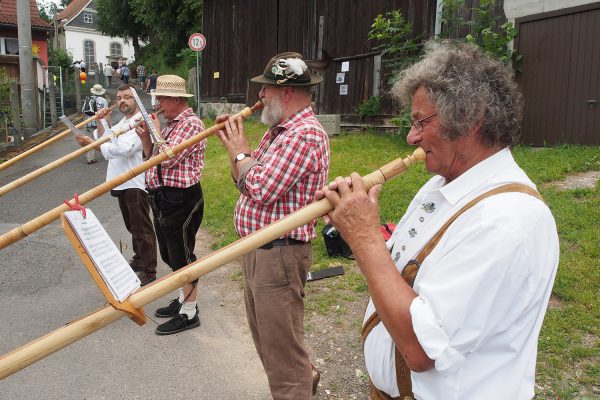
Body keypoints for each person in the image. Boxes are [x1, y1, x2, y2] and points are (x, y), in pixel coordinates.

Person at [317, 40, 560, 400]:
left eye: (421, 122)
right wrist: (357, 227)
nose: (411, 137)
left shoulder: (508, 220)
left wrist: (366, 236)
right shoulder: (441, 186)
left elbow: (421, 349)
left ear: (471, 119)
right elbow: (402, 272)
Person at [216, 52, 330, 399]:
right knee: (269, 343)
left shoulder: (304, 134)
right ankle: (303, 381)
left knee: (282, 355)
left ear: (286, 93)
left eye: (266, 89)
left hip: (278, 256)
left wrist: (239, 152)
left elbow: (260, 188)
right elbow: (245, 184)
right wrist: (236, 152)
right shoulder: (280, 131)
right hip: (261, 251)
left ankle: (297, 386)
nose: (259, 96)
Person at [135, 75, 206, 335]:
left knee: (182, 255)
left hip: (182, 198)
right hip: (163, 197)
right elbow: (151, 157)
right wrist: (147, 138)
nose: (158, 104)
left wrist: (154, 132)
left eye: (162, 99)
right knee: (169, 253)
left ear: (177, 99)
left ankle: (190, 312)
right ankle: (182, 297)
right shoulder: (171, 125)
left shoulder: (191, 124)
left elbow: (168, 159)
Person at [75, 84, 158, 286]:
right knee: (132, 226)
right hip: (121, 180)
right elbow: (107, 139)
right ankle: (139, 260)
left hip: (135, 181)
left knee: (141, 227)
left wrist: (92, 144)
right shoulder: (124, 121)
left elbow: (123, 149)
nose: (122, 101)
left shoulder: (140, 120)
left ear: (136, 100)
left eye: (127, 97)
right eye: (119, 98)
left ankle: (149, 269)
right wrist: (103, 121)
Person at [83, 84, 109, 164]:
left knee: (89, 141)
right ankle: (108, 154)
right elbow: (106, 112)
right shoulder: (103, 100)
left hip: (88, 122)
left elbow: (83, 111)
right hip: (98, 123)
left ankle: (90, 158)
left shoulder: (87, 99)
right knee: (103, 138)